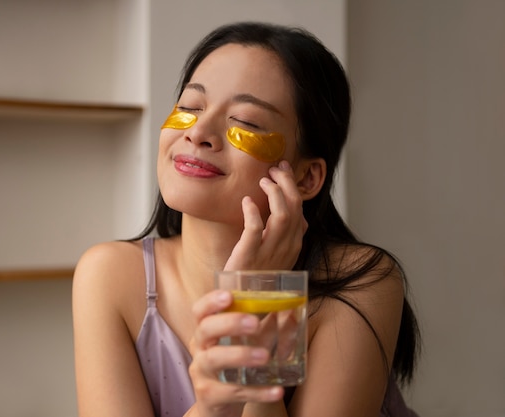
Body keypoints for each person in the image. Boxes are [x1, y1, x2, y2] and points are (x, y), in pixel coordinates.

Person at [72, 21, 420, 417]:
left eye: (246, 123)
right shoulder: (109, 274)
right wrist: (213, 403)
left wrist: (260, 300)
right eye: (189, 108)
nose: (199, 131)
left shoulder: (364, 282)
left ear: (306, 177)